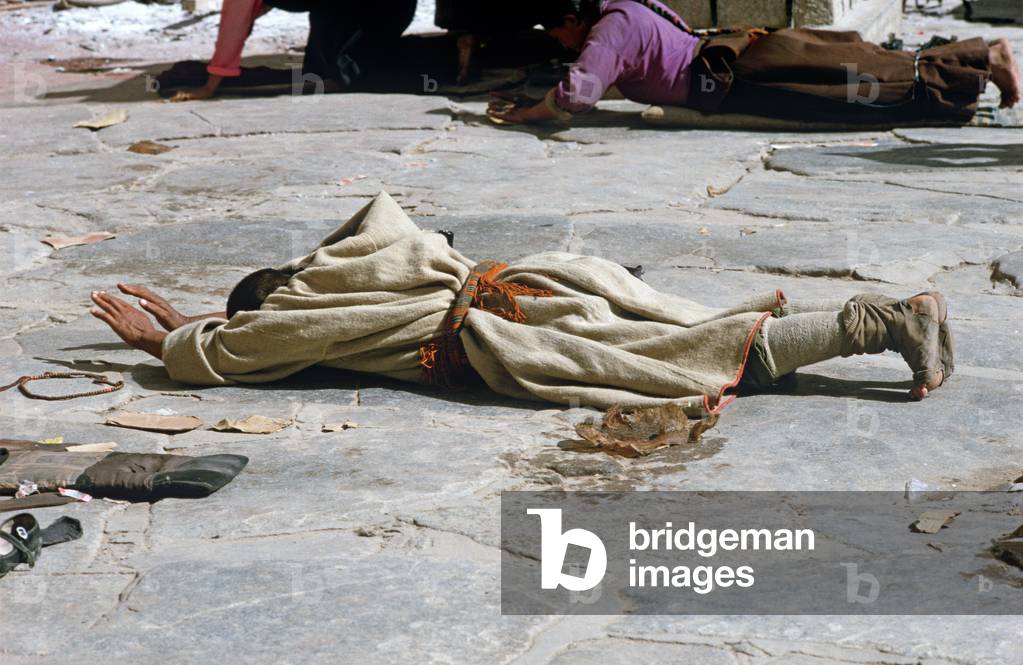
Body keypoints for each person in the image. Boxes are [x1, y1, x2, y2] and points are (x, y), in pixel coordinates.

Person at [89, 193, 952, 413]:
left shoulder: (298, 312)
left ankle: (877, 323)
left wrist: (172, 340)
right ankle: (881, 318)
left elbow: (232, 355)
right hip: (540, 281)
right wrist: (200, 319)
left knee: (682, 360)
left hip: (513, 332)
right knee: (690, 327)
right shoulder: (361, 255)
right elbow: (254, 327)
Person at [487, 0, 1020, 125]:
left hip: (736, 76)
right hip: (746, 51)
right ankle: (975, 59)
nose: (558, 38)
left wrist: (528, 112)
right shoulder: (629, 5)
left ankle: (980, 61)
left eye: (556, 26)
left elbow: (578, 94)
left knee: (855, 92)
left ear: (571, 16)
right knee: (864, 63)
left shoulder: (608, 29)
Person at [170, 0, 417, 102]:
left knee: (344, 75)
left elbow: (236, 21)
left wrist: (211, 85)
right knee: (322, 75)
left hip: (381, 13)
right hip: (386, 13)